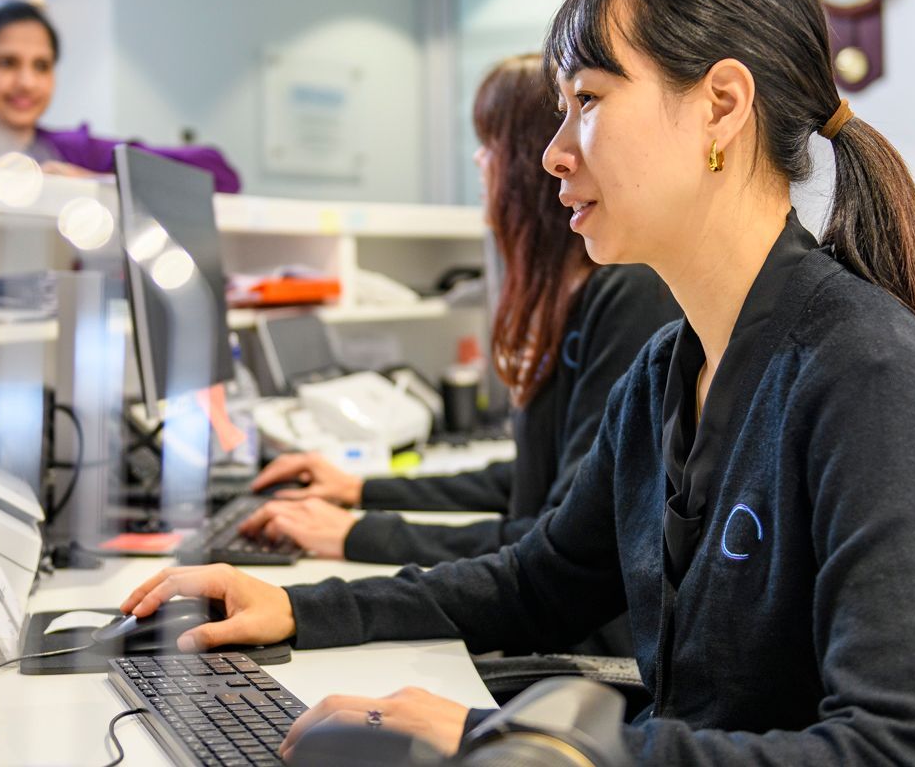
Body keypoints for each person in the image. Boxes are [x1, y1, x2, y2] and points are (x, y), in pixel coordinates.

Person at [119, 0, 915, 764]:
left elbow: (901, 748)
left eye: (587, 102)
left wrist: (498, 741)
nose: (551, 153)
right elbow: (537, 584)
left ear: (721, 108)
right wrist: (301, 606)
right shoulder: (670, 369)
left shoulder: (864, 371)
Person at [236, 55, 679, 603]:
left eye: (491, 142)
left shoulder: (629, 297)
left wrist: (357, 534)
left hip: (579, 640)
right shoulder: (574, 297)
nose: (479, 159)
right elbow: (525, 485)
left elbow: (554, 543)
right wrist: (361, 489)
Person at [0, 0, 241, 192]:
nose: (27, 82)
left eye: (42, 66)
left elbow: (218, 174)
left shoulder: (75, 152)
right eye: (6, 63)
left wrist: (96, 181)